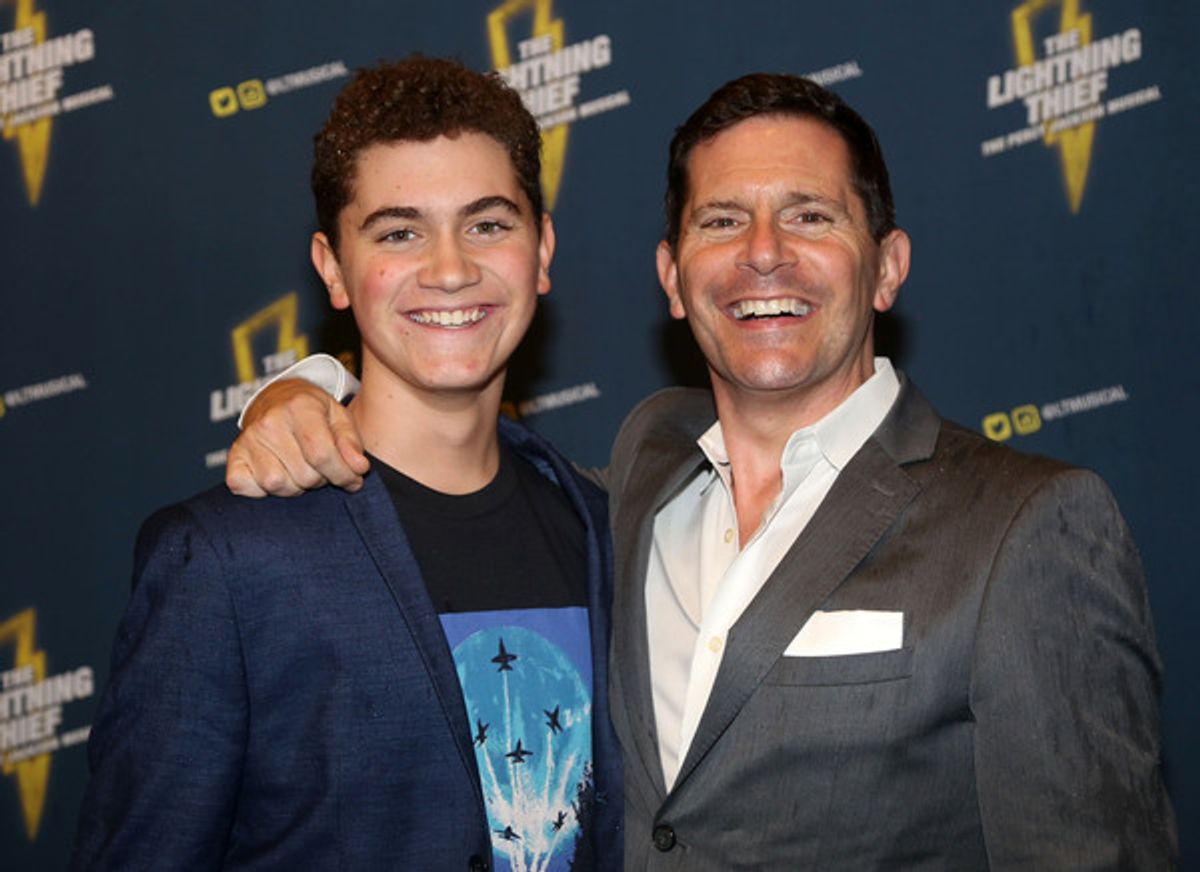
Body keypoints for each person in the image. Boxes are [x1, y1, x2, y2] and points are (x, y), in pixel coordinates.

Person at [225, 73, 1177, 869]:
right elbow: (448, 447)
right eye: (722, 220)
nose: (764, 255)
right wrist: (308, 385)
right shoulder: (634, 479)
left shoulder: (1030, 526)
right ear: (674, 279)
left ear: (887, 267)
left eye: (809, 215)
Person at [72, 57, 621, 872]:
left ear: (540, 249)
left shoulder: (601, 519)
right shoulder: (225, 558)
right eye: (399, 232)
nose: (449, 268)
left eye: (488, 223)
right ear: (332, 268)